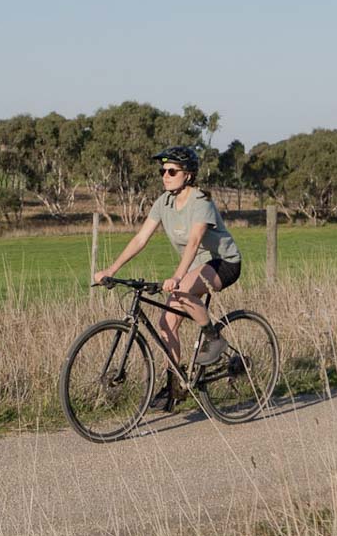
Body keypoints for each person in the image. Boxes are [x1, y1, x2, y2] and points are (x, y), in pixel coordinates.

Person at [92, 145, 244, 401]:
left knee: (183, 289)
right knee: (166, 323)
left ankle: (213, 337)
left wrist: (176, 277)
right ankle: (175, 386)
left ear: (188, 175)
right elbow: (141, 239)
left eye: (172, 171)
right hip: (195, 266)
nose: (165, 175)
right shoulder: (164, 202)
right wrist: (111, 269)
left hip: (223, 262)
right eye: (163, 170)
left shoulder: (201, 202)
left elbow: (195, 242)